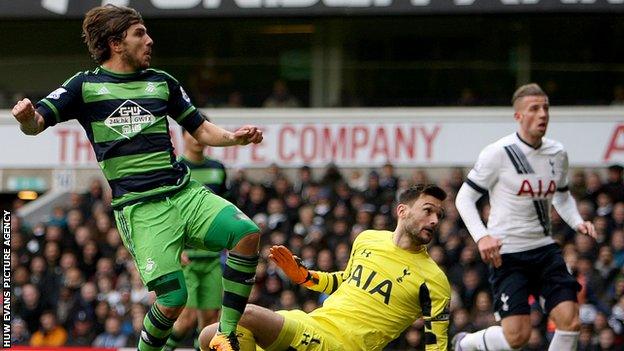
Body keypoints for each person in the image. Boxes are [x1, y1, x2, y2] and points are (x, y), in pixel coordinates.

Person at [11, 5, 263, 351]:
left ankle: (226, 334)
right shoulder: (84, 86)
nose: (149, 40)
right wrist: (26, 118)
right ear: (116, 43)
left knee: (246, 234)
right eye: (139, 33)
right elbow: (36, 123)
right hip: (141, 208)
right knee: (174, 299)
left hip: (183, 192)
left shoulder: (162, 82)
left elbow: (200, 128)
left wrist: (234, 138)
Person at [199, 184, 452, 351]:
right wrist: (306, 277)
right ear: (402, 211)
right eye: (428, 211)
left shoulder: (433, 281)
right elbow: (347, 280)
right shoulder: (369, 239)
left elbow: (436, 344)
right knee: (209, 335)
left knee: (245, 315)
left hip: (338, 345)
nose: (433, 220)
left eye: (439, 215)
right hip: (313, 322)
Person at [454, 83, 597, 351]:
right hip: (508, 255)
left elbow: (562, 195)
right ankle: (466, 343)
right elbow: (464, 198)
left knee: (570, 321)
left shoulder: (557, 153)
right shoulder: (499, 153)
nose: (542, 114)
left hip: (544, 250)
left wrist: (577, 221)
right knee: (517, 337)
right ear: (518, 116)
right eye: (534, 109)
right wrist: (482, 236)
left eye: (545, 108)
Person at [164, 128, 229, 351]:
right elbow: (167, 211)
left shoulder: (218, 169)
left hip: (212, 255)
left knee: (210, 320)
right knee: (186, 318)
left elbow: (224, 210)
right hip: (185, 257)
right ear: (182, 136)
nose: (197, 139)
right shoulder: (175, 168)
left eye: (200, 133)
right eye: (191, 133)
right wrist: (174, 247)